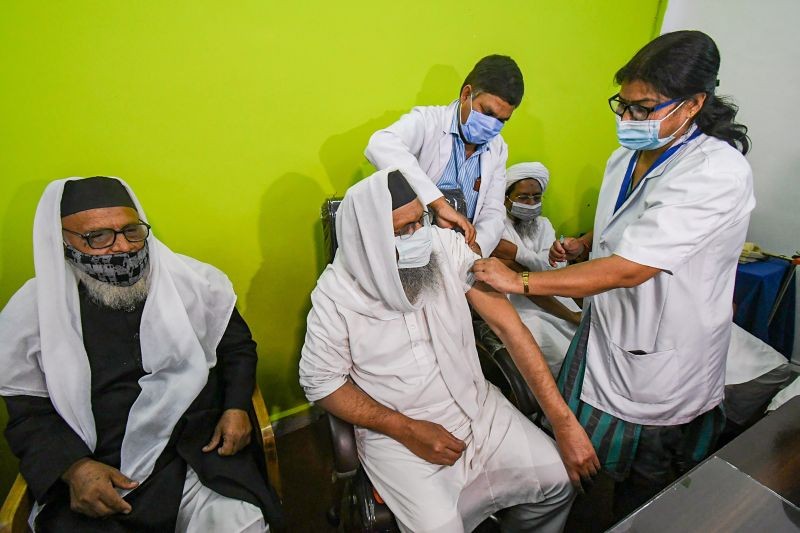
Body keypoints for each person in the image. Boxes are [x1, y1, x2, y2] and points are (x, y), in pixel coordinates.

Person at [471, 30, 755, 518]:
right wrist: (586, 243)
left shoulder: (716, 173)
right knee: (588, 456)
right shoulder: (625, 155)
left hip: (659, 357)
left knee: (646, 486)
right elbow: (624, 232)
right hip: (603, 332)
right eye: (622, 105)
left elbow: (630, 268)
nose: (627, 119)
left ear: (693, 105)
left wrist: (520, 282)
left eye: (643, 108)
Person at [299, 169, 598, 532]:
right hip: (399, 431)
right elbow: (321, 383)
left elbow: (510, 326)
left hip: (479, 407)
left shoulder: (444, 247)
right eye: (401, 230)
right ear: (368, 240)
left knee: (558, 482)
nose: (417, 237)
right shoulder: (335, 297)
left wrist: (564, 423)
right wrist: (406, 429)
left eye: (419, 221)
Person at [0, 177, 283, 532]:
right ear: (61, 242)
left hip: (195, 453)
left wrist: (236, 406)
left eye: (131, 231)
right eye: (98, 237)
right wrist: (75, 469)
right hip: (100, 470)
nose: (121, 248)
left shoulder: (192, 281)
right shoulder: (30, 316)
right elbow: (28, 417)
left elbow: (237, 349)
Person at [365, 55, 524, 257]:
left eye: (502, 121)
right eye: (487, 113)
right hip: (413, 251)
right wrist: (438, 204)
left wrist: (476, 249)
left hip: (462, 254)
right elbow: (380, 144)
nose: (493, 125)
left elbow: (493, 211)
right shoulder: (429, 121)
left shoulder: (498, 148)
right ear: (466, 94)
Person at [488, 162, 582, 376]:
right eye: (523, 197)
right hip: (518, 306)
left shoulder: (545, 225)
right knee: (557, 351)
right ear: (506, 198)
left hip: (555, 295)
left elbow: (552, 270)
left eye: (536, 197)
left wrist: (516, 253)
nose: (531, 203)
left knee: (583, 344)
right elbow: (521, 279)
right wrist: (534, 263)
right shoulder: (495, 227)